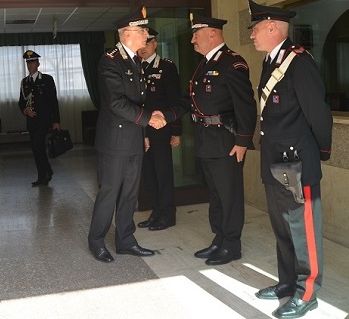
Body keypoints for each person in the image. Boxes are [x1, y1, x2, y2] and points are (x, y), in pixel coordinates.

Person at [248, 1, 333, 318]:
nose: (253, 35)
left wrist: (320, 153)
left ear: (272, 27)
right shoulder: (272, 61)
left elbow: (319, 115)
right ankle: (287, 283)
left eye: (255, 29)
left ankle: (307, 292)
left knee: (303, 229)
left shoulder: (298, 62)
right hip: (274, 159)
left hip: (297, 162)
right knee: (282, 227)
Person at [88, 6, 176, 263]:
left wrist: (145, 131)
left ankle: (126, 240)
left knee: (129, 194)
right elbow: (116, 102)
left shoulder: (134, 60)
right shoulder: (110, 60)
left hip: (135, 139)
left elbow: (139, 100)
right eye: (143, 31)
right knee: (110, 192)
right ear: (128, 34)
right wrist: (150, 119)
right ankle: (96, 241)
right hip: (114, 142)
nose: (147, 35)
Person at [188, 14, 257, 266]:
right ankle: (219, 238)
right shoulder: (205, 63)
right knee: (216, 194)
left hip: (226, 141)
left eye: (197, 33)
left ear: (212, 34)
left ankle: (232, 244)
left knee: (229, 195)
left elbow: (246, 106)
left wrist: (242, 140)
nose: (193, 39)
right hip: (207, 139)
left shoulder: (232, 63)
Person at [137, 28, 183, 231]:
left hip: (161, 130)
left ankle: (168, 214)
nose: (143, 48)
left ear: (155, 43)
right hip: (141, 129)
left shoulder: (166, 67)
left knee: (163, 172)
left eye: (147, 43)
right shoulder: (135, 67)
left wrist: (176, 131)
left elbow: (175, 101)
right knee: (148, 173)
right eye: (141, 44)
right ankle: (156, 212)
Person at [18, 50, 61, 187]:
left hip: (44, 120)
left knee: (38, 146)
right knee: (37, 149)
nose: (30, 65)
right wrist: (25, 110)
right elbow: (21, 102)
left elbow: (54, 101)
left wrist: (56, 121)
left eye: (32, 62)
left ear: (38, 63)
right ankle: (44, 173)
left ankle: (45, 174)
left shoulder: (47, 79)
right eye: (28, 62)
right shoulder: (24, 82)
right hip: (31, 122)